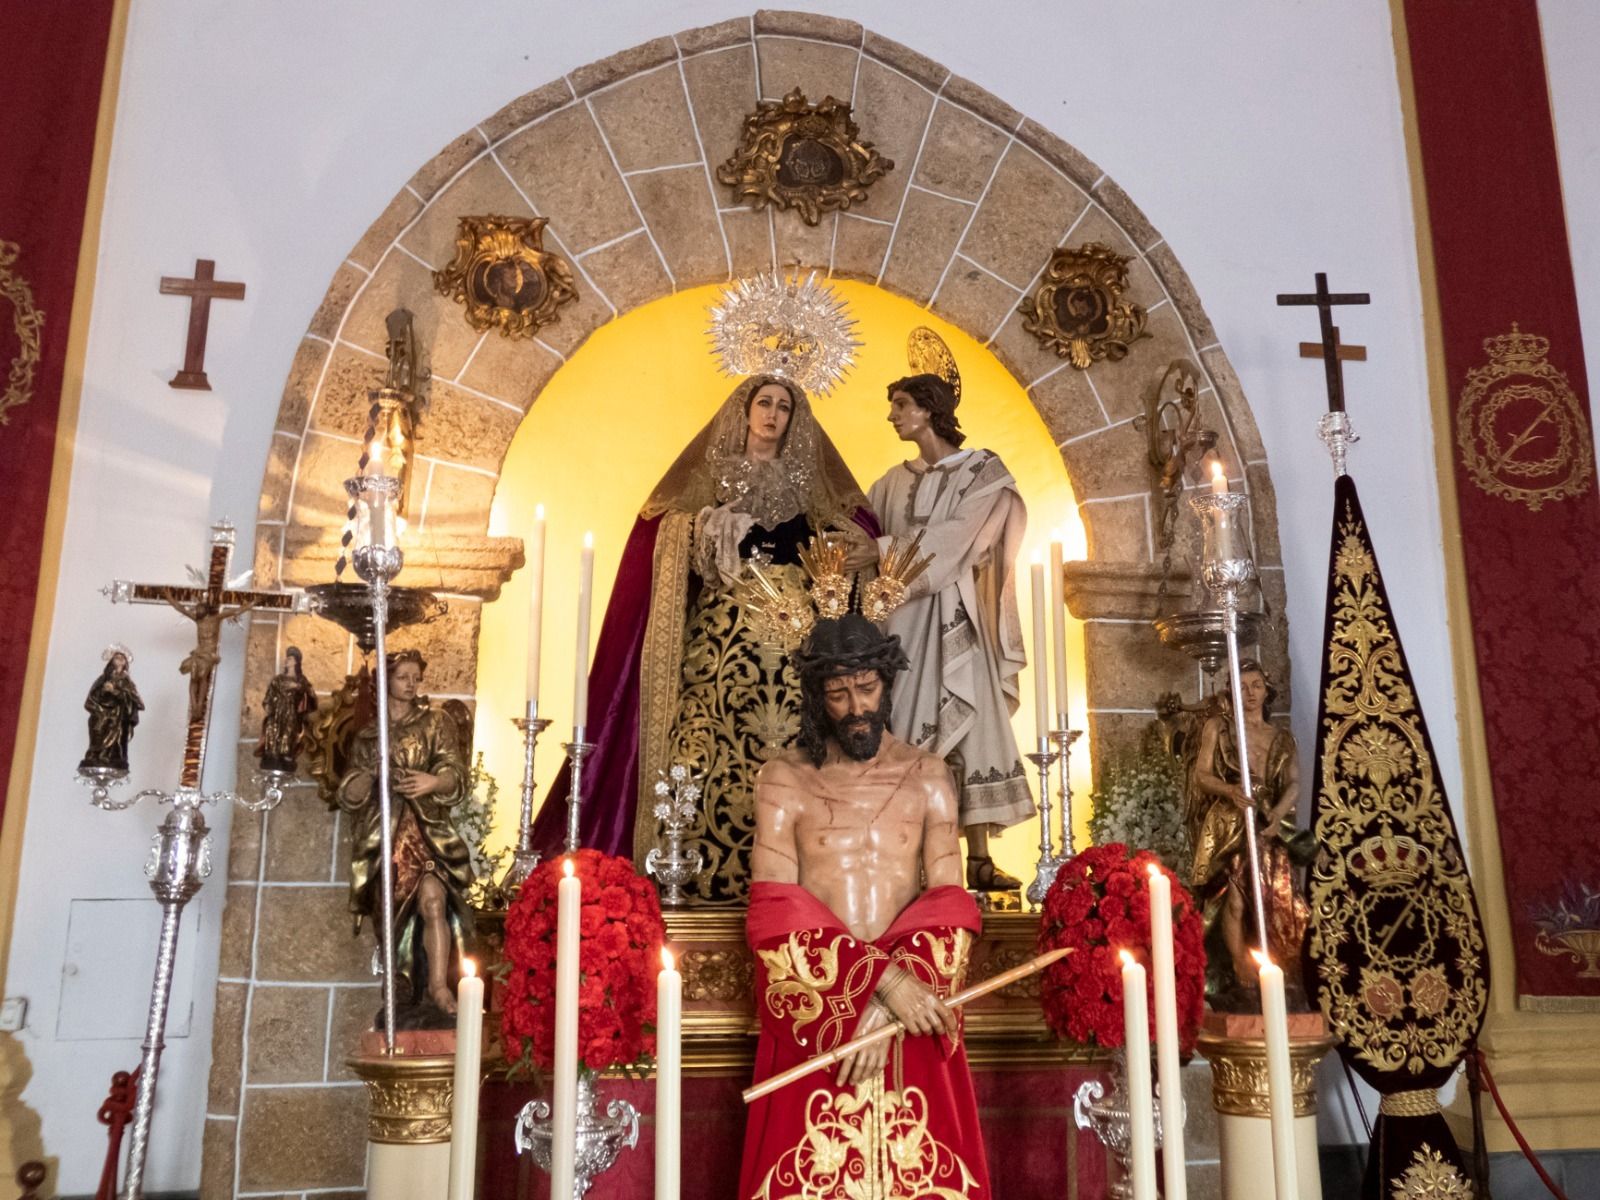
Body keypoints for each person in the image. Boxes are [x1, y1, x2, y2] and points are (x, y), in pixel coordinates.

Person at [530, 374, 877, 904]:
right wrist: (701, 530)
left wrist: (850, 548)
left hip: (793, 654)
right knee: (700, 750)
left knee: (802, 753)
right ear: (743, 412)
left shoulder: (810, 488)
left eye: (784, 407)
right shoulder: (708, 478)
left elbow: (857, 537)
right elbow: (657, 533)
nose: (773, 414)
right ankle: (689, 876)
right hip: (718, 652)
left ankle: (803, 883)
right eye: (764, 403)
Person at [740, 615, 990, 1199]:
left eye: (867, 688)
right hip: (822, 1021)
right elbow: (775, 912)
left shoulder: (929, 776)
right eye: (837, 693)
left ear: (887, 683)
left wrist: (896, 1005)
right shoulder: (783, 780)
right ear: (815, 697)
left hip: (912, 1017)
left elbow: (950, 906)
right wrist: (880, 983)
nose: (855, 707)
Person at [867, 371, 1033, 892]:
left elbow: (958, 537)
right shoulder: (889, 483)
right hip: (903, 622)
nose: (892, 415)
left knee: (975, 724)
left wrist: (880, 553)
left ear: (929, 408)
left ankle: (979, 858)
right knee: (907, 726)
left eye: (901, 404)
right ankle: (913, 858)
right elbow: (860, 531)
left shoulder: (982, 472)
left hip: (958, 613)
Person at [338, 649, 473, 1019]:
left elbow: (456, 773)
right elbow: (348, 794)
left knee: (434, 901)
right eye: (403, 677)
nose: (412, 684)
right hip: (385, 837)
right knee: (390, 918)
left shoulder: (435, 723)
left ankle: (438, 986)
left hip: (426, 831)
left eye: (416, 677)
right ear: (386, 682)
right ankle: (399, 987)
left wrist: (432, 781)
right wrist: (371, 773)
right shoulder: (369, 734)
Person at [1187, 660, 1310, 1001]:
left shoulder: (1281, 738)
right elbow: (1201, 774)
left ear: (1267, 690)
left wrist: (1278, 815)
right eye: (1242, 686)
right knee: (1234, 898)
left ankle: (1279, 972)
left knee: (1279, 901)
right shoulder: (1220, 728)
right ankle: (1239, 970)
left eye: (1256, 685)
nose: (1250, 693)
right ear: (1232, 691)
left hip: (1270, 824)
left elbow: (1294, 784)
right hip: (1232, 823)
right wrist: (1230, 791)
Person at [79, 648, 143, 773]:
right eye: (116, 658)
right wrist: (104, 690)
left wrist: (115, 691)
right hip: (101, 713)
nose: (119, 660)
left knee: (117, 740)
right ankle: (97, 755)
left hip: (119, 717)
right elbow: (92, 697)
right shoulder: (103, 679)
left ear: (125, 663)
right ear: (111, 661)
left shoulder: (127, 682)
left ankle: (112, 757)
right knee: (98, 732)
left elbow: (133, 700)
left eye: (122, 658)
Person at [256, 646, 318, 773]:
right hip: (277, 711)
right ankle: (272, 756)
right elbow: (269, 696)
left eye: (289, 659)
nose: (286, 661)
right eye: (287, 658)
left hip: (291, 711)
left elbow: (310, 695)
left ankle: (286, 756)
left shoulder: (301, 680)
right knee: (273, 732)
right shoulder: (278, 679)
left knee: (288, 733)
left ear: (296, 662)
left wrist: (297, 686)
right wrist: (268, 706)